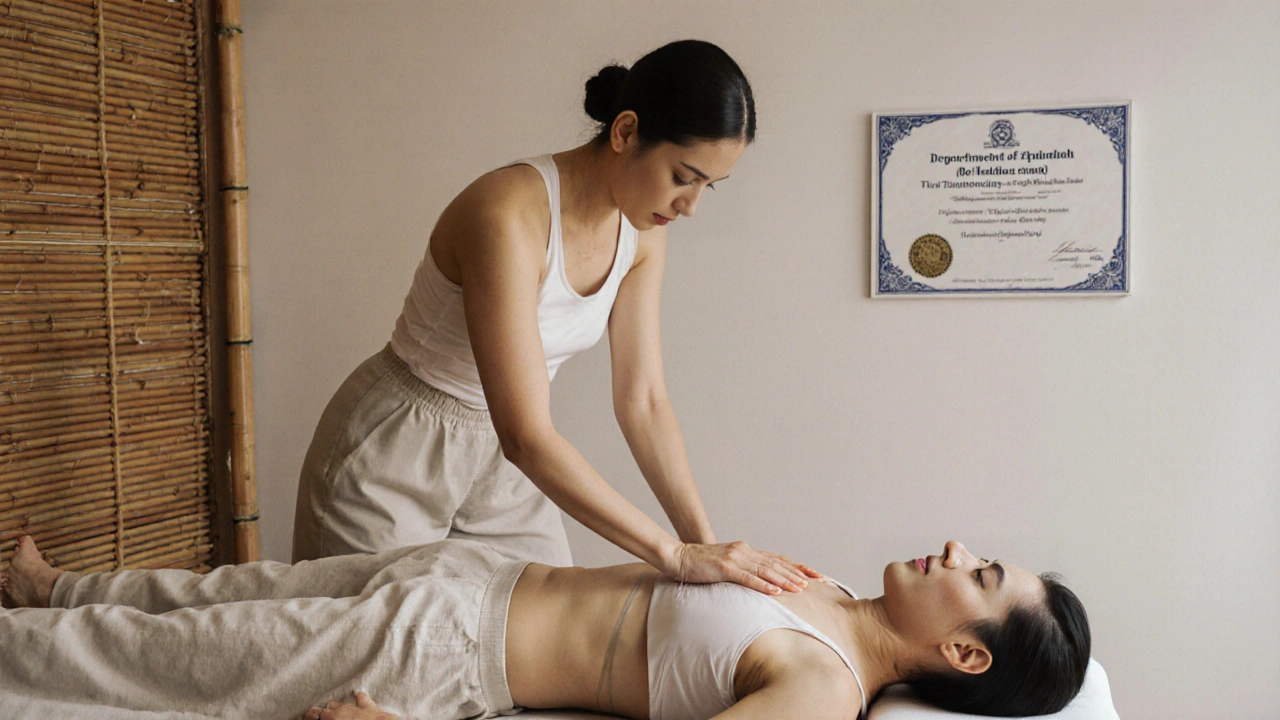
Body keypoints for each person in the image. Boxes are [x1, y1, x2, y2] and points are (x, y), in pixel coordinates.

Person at [291, 38, 812, 597]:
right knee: (364, 660)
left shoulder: (642, 232)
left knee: (540, 654)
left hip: (505, 470)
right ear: (626, 132)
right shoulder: (506, 213)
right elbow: (526, 434)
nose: (691, 206)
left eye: (709, 186)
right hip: (398, 450)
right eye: (684, 177)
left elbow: (644, 401)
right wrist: (674, 555)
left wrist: (708, 550)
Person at [0, 535, 1090, 720]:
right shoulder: (834, 596)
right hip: (474, 575)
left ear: (964, 651)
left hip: (441, 652)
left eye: (980, 573)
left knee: (162, 668)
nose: (954, 550)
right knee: (220, 596)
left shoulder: (817, 690)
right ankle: (47, 591)